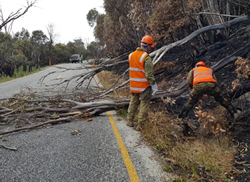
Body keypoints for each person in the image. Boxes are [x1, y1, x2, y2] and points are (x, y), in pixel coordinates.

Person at [127, 35, 158, 130]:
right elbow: (149, 75)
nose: (151, 49)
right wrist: (154, 85)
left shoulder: (131, 55)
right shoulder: (146, 58)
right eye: (151, 47)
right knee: (144, 104)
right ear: (148, 46)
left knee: (133, 102)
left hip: (133, 85)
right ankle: (140, 125)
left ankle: (130, 121)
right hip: (144, 86)